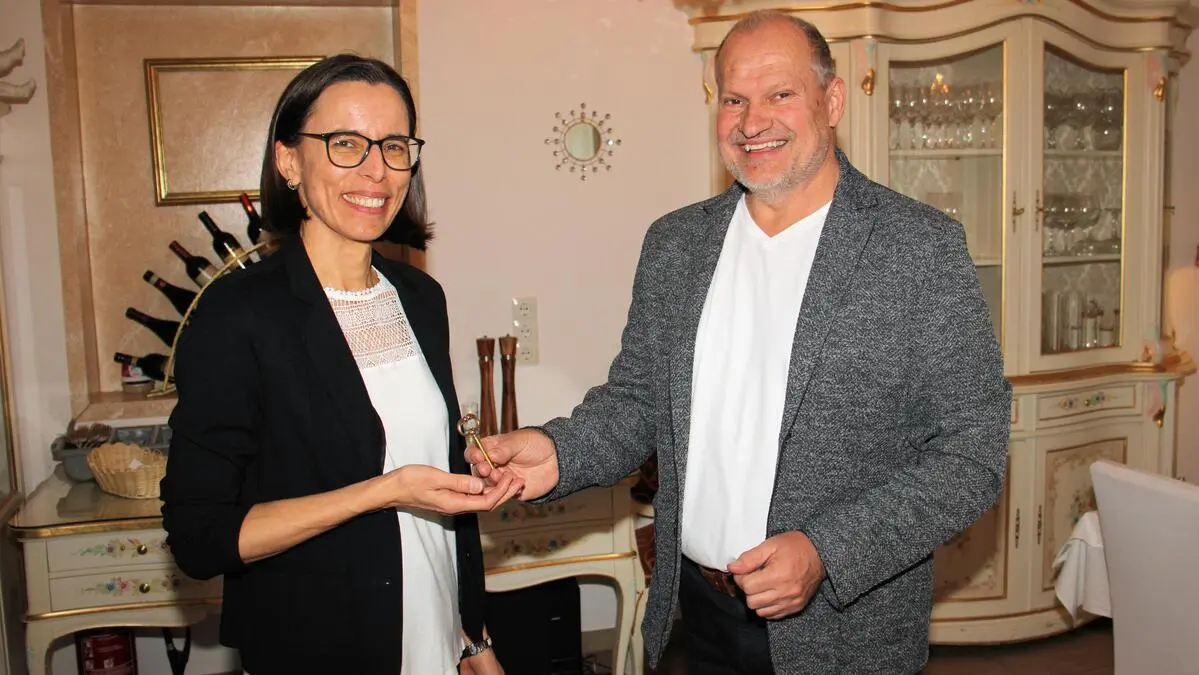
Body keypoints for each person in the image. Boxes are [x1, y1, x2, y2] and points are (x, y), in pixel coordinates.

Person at [467, 11, 1011, 675]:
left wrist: (826, 551)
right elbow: (639, 401)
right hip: (695, 619)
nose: (753, 122)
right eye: (733, 99)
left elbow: (971, 453)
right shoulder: (674, 244)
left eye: (780, 93)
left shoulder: (917, 248)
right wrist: (559, 452)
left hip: (844, 636)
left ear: (832, 100)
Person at [160, 54, 521, 675]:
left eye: (394, 146)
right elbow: (200, 537)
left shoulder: (419, 297)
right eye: (346, 144)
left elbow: (440, 492)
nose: (376, 170)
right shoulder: (238, 315)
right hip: (322, 649)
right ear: (288, 161)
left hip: (435, 641)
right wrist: (384, 491)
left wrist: (474, 636)